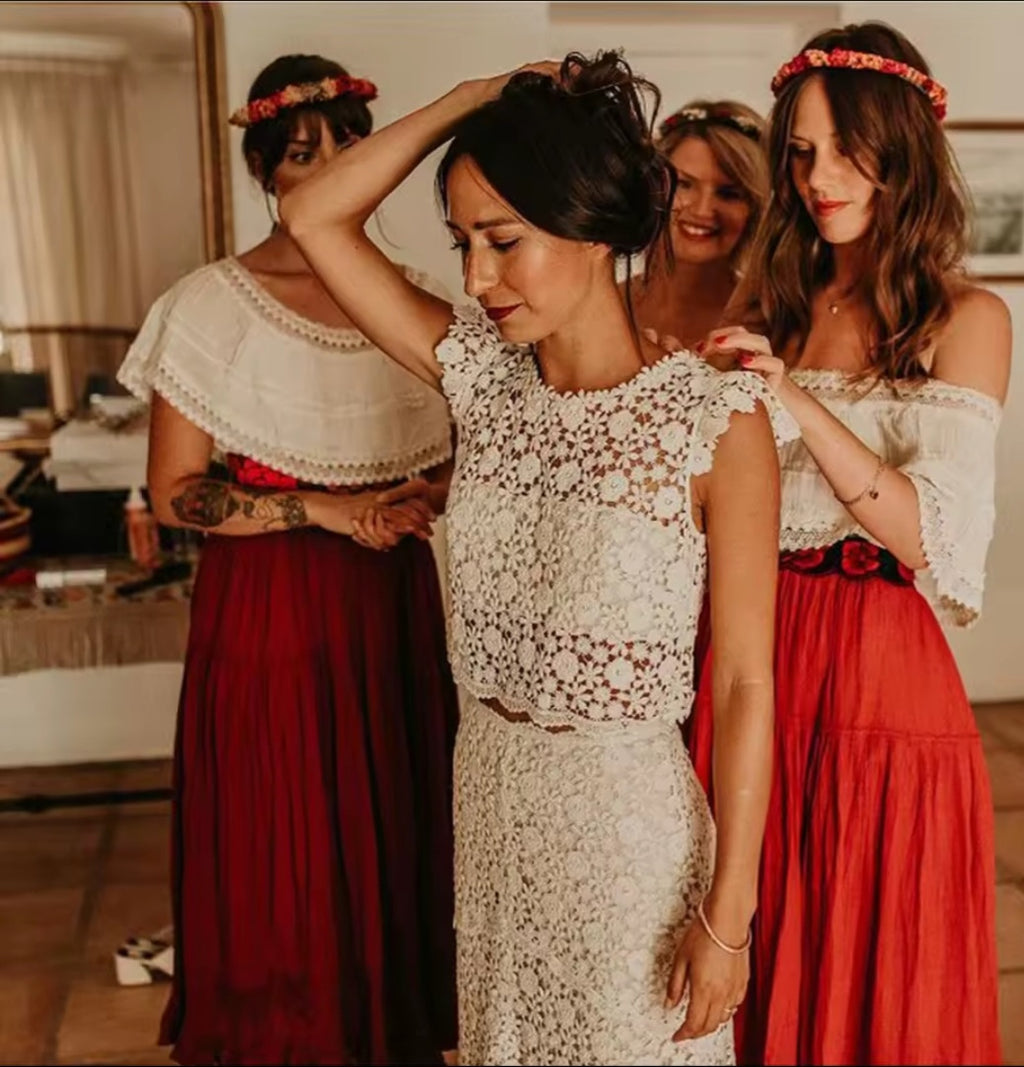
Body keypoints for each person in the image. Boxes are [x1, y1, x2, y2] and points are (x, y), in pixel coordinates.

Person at [280, 50, 799, 1066]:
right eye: (463, 242)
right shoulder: (481, 380)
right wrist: (476, 99)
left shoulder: (714, 420)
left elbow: (745, 681)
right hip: (489, 798)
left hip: (626, 837)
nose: (477, 277)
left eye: (504, 240)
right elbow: (313, 217)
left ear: (595, 229)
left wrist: (728, 913)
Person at [117, 53, 459, 1066]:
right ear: (265, 171)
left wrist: (422, 496)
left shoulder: (422, 299)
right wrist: (322, 509)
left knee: (391, 817)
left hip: (387, 596)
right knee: (283, 826)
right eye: (302, 154)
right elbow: (180, 493)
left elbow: (468, 455)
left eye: (348, 147)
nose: (330, 169)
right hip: (266, 605)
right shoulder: (209, 306)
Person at [684, 22, 1009, 1066]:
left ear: (901, 151)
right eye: (800, 152)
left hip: (874, 663)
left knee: (868, 950)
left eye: (845, 150)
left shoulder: (966, 317)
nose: (818, 178)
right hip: (741, 643)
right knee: (737, 925)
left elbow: (931, 534)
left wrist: (792, 400)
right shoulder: (766, 301)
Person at [626, 99, 767, 352]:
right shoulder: (602, 304)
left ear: (756, 208)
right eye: (684, 184)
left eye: (728, 194)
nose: (702, 210)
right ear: (652, 186)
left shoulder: (770, 321)